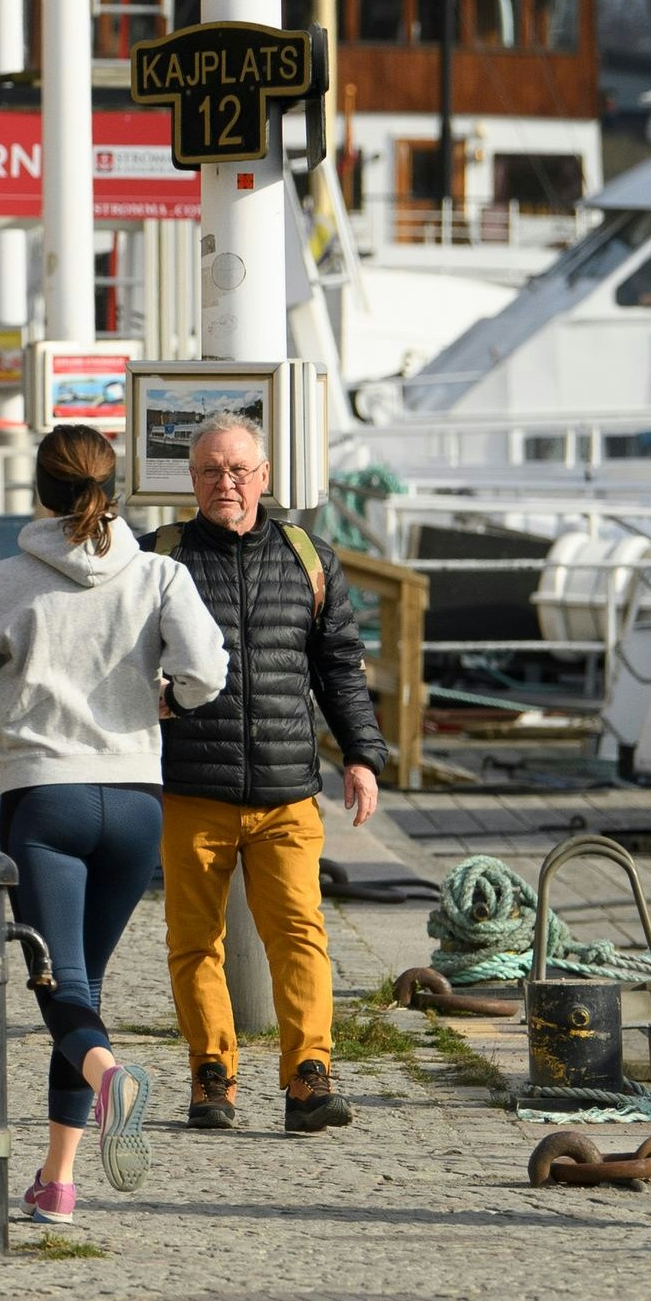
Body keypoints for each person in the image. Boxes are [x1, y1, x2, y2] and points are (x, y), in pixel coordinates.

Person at [0, 423, 228, 1231]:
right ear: (114, 488)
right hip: (136, 800)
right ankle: (58, 1182)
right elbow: (207, 672)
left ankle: (108, 1077)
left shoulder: (3, 582)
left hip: (45, 801)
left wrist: (12, 673)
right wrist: (165, 698)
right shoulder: (161, 573)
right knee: (81, 985)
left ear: (39, 492)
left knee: (59, 991)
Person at [146, 412, 392, 1136]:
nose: (225, 482)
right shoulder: (156, 558)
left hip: (287, 788)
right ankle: (211, 1076)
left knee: (300, 936)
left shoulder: (308, 558)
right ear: (192, 480)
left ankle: (308, 1077)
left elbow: (340, 666)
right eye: (210, 471)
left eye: (237, 470)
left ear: (264, 478)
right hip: (190, 785)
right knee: (194, 943)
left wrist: (361, 755)